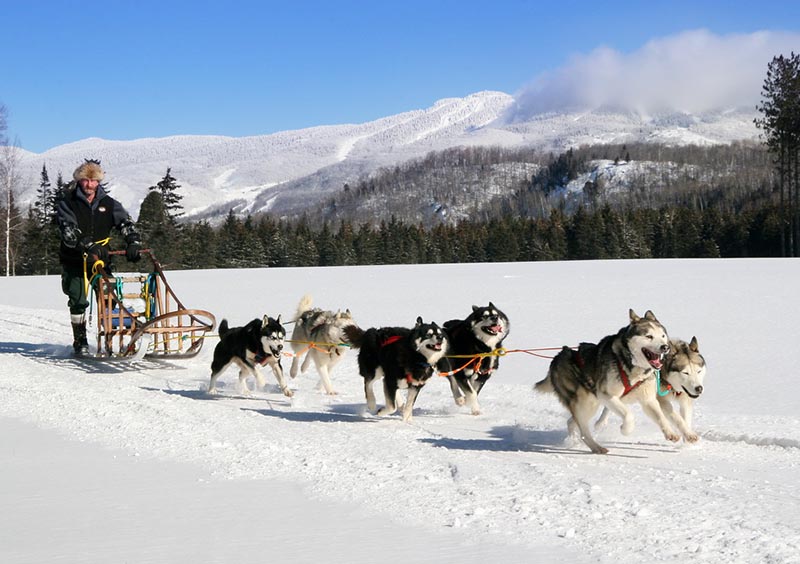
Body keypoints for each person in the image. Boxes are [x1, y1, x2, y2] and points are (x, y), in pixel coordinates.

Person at [57, 159, 142, 356]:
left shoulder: (109, 204)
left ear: (99, 182)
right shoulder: (68, 203)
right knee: (78, 300)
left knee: (109, 298)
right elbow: (68, 231)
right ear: (79, 180)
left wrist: (133, 241)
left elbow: (125, 222)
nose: (90, 185)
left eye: (94, 181)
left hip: (101, 260)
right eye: (86, 180)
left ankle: (115, 340)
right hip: (75, 259)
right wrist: (87, 244)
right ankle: (80, 341)